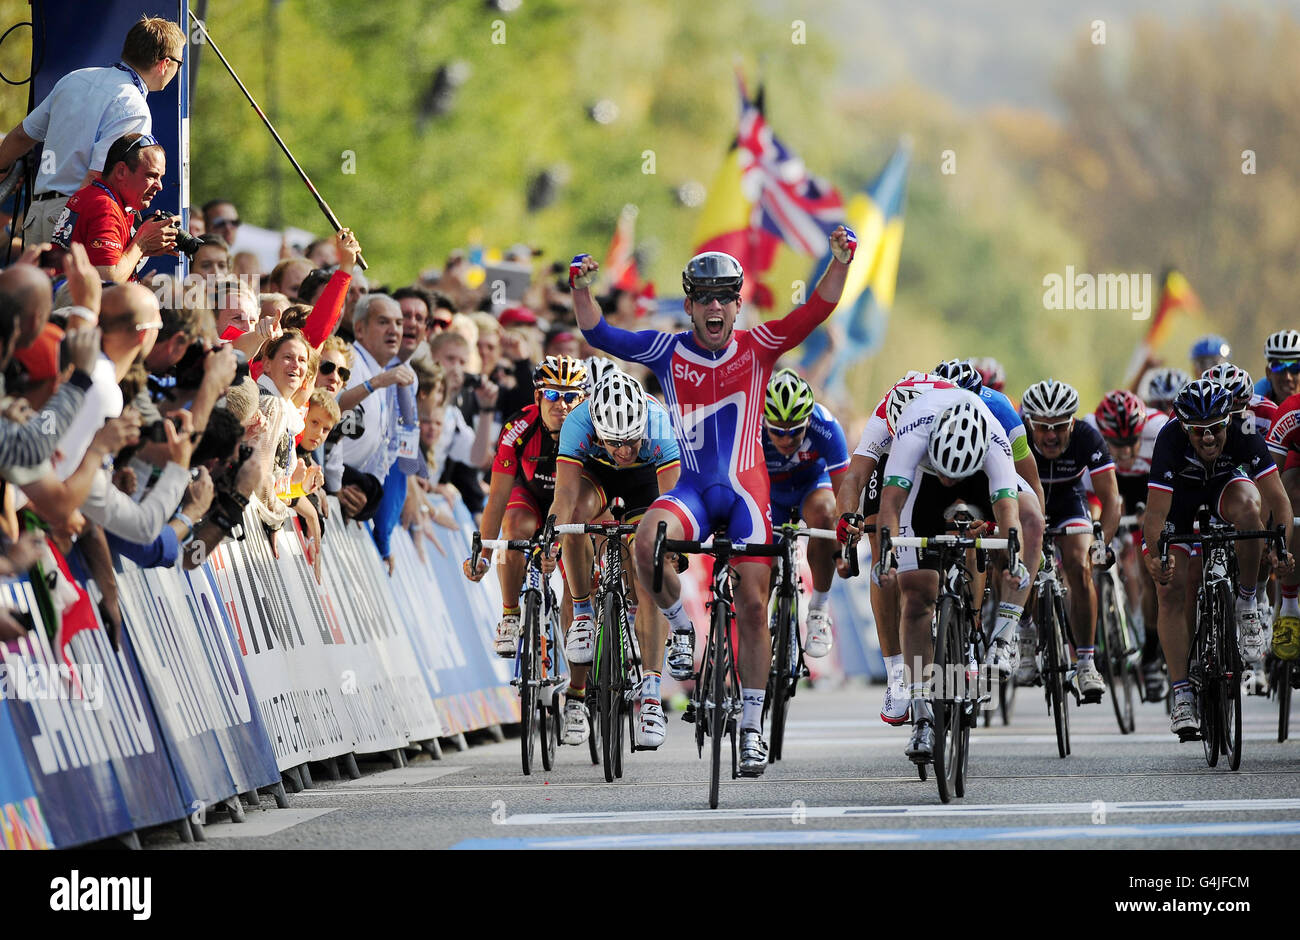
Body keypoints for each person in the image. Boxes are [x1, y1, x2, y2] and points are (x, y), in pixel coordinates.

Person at [572, 225, 856, 776]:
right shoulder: (666, 348)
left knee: (753, 604)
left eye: (725, 297)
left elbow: (816, 311)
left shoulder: (759, 345)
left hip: (749, 495)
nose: (715, 308)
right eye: (704, 299)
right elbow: (602, 335)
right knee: (646, 540)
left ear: (737, 302)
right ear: (690, 305)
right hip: (693, 492)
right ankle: (682, 626)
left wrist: (840, 261)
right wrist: (583, 289)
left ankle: (752, 727)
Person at [873, 390, 1024, 763]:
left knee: (993, 540)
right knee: (918, 593)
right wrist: (888, 554)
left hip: (977, 485)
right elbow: (890, 508)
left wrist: (1007, 551)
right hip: (920, 483)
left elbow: (1009, 516)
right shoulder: (913, 432)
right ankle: (922, 713)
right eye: (946, 471)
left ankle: (972, 643)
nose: (948, 480)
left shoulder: (994, 442)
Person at [1143, 379, 1294, 739]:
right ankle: (1182, 695)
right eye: (1198, 432)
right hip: (1180, 498)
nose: (1208, 438)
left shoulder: (1243, 429)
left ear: (1229, 420)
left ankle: (1245, 604)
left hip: (1224, 487)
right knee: (1170, 589)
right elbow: (1155, 517)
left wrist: (1281, 547)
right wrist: (1156, 558)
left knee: (1250, 509)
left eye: (1215, 429)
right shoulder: (1169, 439)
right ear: (1184, 427)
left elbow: (1278, 498)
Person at [552, 369, 681, 749]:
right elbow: (562, 498)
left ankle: (652, 697)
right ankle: (583, 616)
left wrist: (669, 549)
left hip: (646, 484)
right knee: (575, 519)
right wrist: (551, 536)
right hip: (598, 477)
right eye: (614, 442)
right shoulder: (577, 423)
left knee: (649, 574)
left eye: (631, 441)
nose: (624, 450)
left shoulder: (658, 424)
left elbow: (672, 507)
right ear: (597, 429)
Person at [462, 355, 588, 742]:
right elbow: (496, 497)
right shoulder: (518, 428)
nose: (561, 405)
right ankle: (511, 614)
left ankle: (577, 699)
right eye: (552, 394)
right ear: (538, 395)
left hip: (574, 506)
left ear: (582, 399)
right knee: (514, 527)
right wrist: (482, 552)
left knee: (578, 596)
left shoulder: (591, 430)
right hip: (530, 498)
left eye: (570, 397)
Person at [0, 16, 186, 245]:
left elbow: (21, 135)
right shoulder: (134, 106)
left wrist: (1, 169)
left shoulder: (75, 78)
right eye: (180, 63)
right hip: (73, 218)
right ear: (165, 64)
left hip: (36, 213)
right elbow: (96, 177)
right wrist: (67, 232)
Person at [1018, 379, 1121, 700]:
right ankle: (1025, 632)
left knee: (1080, 564)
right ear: (1029, 423)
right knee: (1018, 565)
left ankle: (1087, 662)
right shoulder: (1016, 437)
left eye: (1060, 426)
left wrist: (1101, 544)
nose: (1051, 435)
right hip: (1027, 502)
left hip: (1068, 502)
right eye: (1043, 427)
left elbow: (1112, 499)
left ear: (1072, 422)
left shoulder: (1088, 436)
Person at [1083, 388, 1169, 698]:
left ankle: (1150, 656)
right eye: (1116, 444)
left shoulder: (1159, 429)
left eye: (1132, 441)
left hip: (1149, 489)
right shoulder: (1089, 431)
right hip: (1111, 490)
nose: (1125, 451)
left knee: (1151, 573)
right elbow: (1091, 494)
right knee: (1089, 550)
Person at [761, 368, 848, 657]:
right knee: (763, 557)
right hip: (769, 492)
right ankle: (757, 620)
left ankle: (819, 611)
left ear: (808, 420)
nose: (786, 440)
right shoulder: (750, 425)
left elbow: (845, 497)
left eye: (795, 431)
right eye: (777, 431)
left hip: (812, 487)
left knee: (826, 514)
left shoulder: (827, 427)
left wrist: (844, 544)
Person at [50, 132, 178, 283]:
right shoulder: (105, 206)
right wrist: (141, 242)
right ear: (121, 171)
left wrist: (140, 250)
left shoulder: (93, 195)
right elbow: (108, 280)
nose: (160, 186)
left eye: (161, 178)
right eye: (151, 176)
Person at [1252, 330, 1300, 406]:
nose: (1288, 377)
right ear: (1268, 373)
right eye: (1279, 367)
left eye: (1295, 367)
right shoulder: (1253, 402)